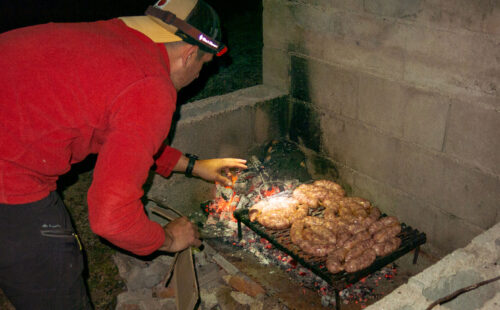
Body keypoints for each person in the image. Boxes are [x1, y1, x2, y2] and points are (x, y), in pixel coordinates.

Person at [0, 0, 247, 309]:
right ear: (187, 55)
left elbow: (120, 135)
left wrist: (194, 166)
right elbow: (110, 218)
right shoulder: (151, 85)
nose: (199, 76)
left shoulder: (114, 38)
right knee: (54, 280)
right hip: (8, 179)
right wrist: (168, 239)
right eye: (203, 66)